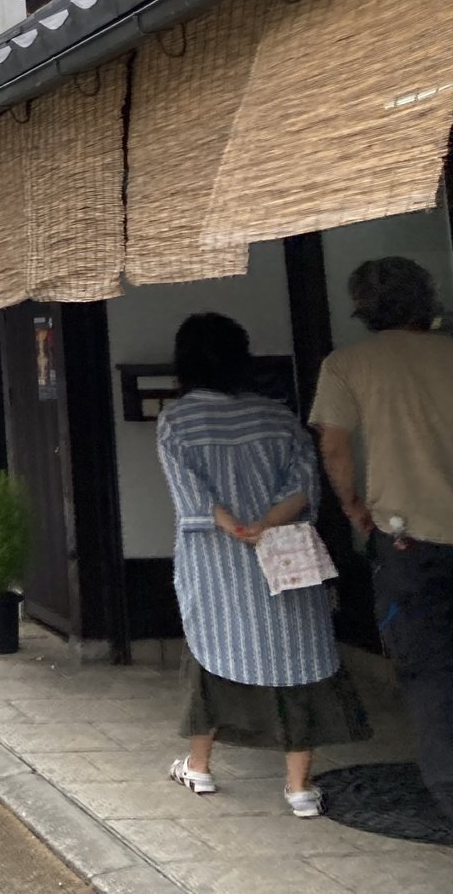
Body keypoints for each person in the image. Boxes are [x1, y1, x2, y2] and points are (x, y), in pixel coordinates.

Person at [157, 312, 368, 817]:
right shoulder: (278, 416)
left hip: (217, 564)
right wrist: (267, 524)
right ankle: (299, 788)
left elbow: (190, 491)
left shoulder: (178, 419)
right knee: (299, 662)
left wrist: (233, 527)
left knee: (213, 655)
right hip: (286, 561)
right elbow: (302, 485)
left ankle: (200, 768)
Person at [310, 256, 453, 819]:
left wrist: (351, 507)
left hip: (406, 540)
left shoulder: (348, 365)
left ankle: (448, 792)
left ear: (363, 308)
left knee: (429, 671)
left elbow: (335, 445)